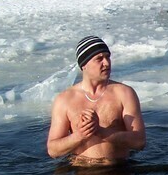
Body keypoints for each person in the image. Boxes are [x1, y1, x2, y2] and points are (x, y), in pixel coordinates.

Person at [47, 36, 146, 166]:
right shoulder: (64, 100)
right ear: (84, 65)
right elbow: (53, 150)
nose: (107, 63)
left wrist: (101, 132)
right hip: (82, 172)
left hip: (119, 170)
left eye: (108, 57)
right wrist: (80, 135)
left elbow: (139, 141)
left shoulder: (124, 93)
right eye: (99, 59)